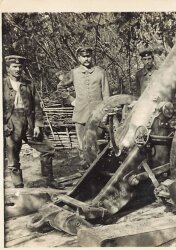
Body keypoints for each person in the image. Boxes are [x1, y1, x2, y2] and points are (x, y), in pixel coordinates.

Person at [3, 55, 64, 189]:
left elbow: (37, 105)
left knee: (48, 149)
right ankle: (18, 185)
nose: (18, 69)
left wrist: (38, 125)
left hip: (29, 122)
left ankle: (49, 179)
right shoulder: (3, 84)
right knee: (13, 156)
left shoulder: (29, 84)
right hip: (11, 122)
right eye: (14, 66)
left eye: (20, 66)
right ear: (8, 68)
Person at [57, 46, 111, 169]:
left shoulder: (100, 72)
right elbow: (60, 87)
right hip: (80, 114)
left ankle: (98, 170)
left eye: (89, 56)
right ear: (79, 58)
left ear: (92, 57)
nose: (87, 59)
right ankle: (85, 169)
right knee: (82, 145)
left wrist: (106, 114)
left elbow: (106, 94)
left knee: (97, 144)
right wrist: (72, 100)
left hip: (97, 115)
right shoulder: (74, 73)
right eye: (84, 56)